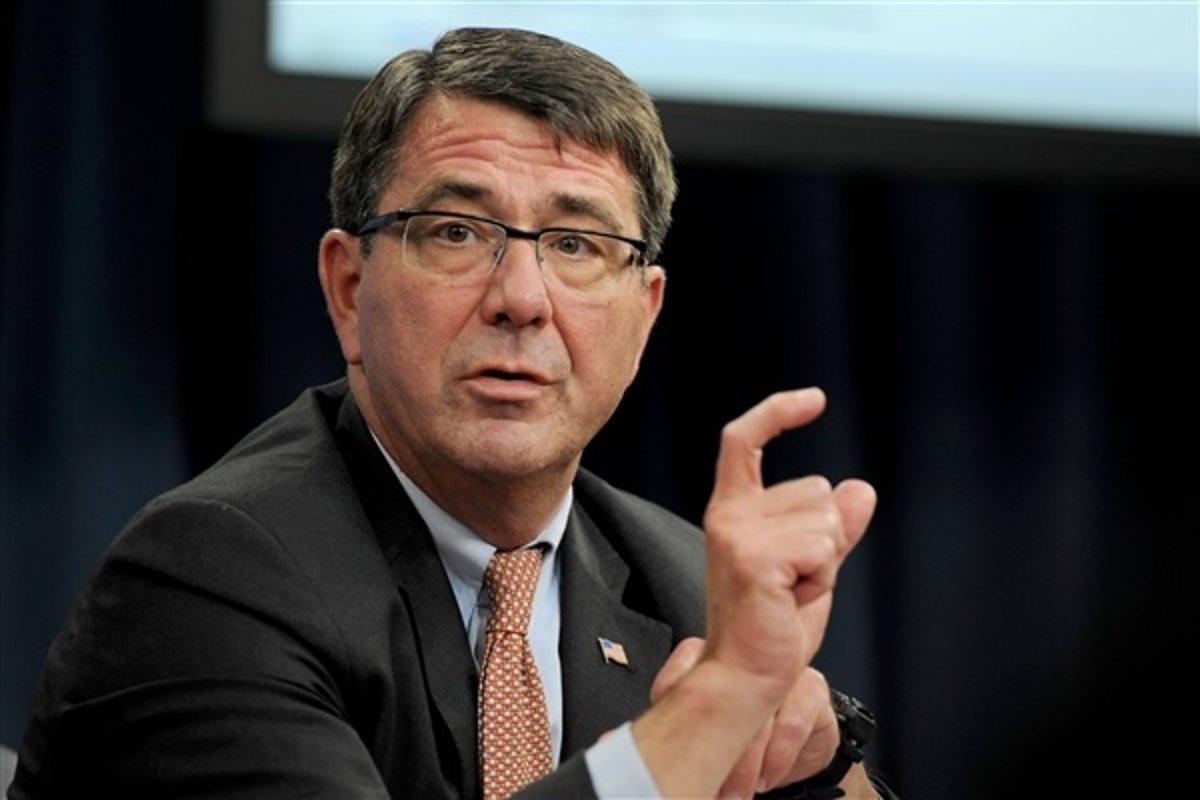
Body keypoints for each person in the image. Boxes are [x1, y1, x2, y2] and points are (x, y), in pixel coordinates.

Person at [10, 27, 897, 800]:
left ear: (645, 316)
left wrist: (819, 763)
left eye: (577, 244)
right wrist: (714, 708)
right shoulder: (210, 576)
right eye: (457, 232)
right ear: (348, 289)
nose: (522, 299)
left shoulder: (685, 583)